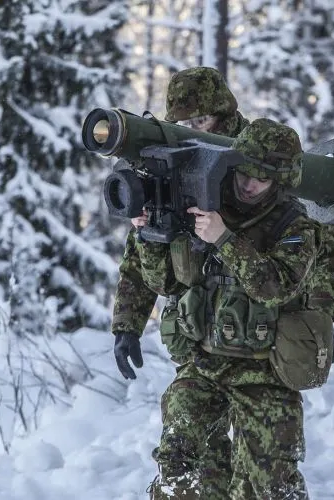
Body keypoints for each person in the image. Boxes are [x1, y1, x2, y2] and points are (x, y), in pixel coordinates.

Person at [112, 116, 334, 499]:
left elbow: (275, 286)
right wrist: (149, 234)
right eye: (244, 174)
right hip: (203, 363)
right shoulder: (200, 201)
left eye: (262, 179)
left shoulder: (296, 226)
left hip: (264, 371)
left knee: (269, 486)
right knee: (179, 469)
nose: (249, 185)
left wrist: (224, 238)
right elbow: (164, 281)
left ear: (281, 181)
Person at [111, 66, 249, 361]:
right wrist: (127, 326)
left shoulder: (257, 160)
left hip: (254, 337)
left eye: (201, 120)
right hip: (193, 337)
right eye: (183, 123)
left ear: (225, 117)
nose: (192, 130)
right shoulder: (171, 165)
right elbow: (139, 254)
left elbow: (305, 232)